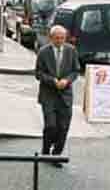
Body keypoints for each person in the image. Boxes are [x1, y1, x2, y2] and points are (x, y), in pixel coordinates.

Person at [35, 25, 80, 168]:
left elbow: (75, 70)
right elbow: (38, 73)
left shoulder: (71, 51)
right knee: (51, 126)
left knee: (63, 127)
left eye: (62, 38)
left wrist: (67, 80)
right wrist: (53, 81)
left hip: (65, 96)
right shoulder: (43, 52)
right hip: (49, 95)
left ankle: (56, 155)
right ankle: (46, 151)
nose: (60, 41)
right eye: (57, 38)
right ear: (51, 38)